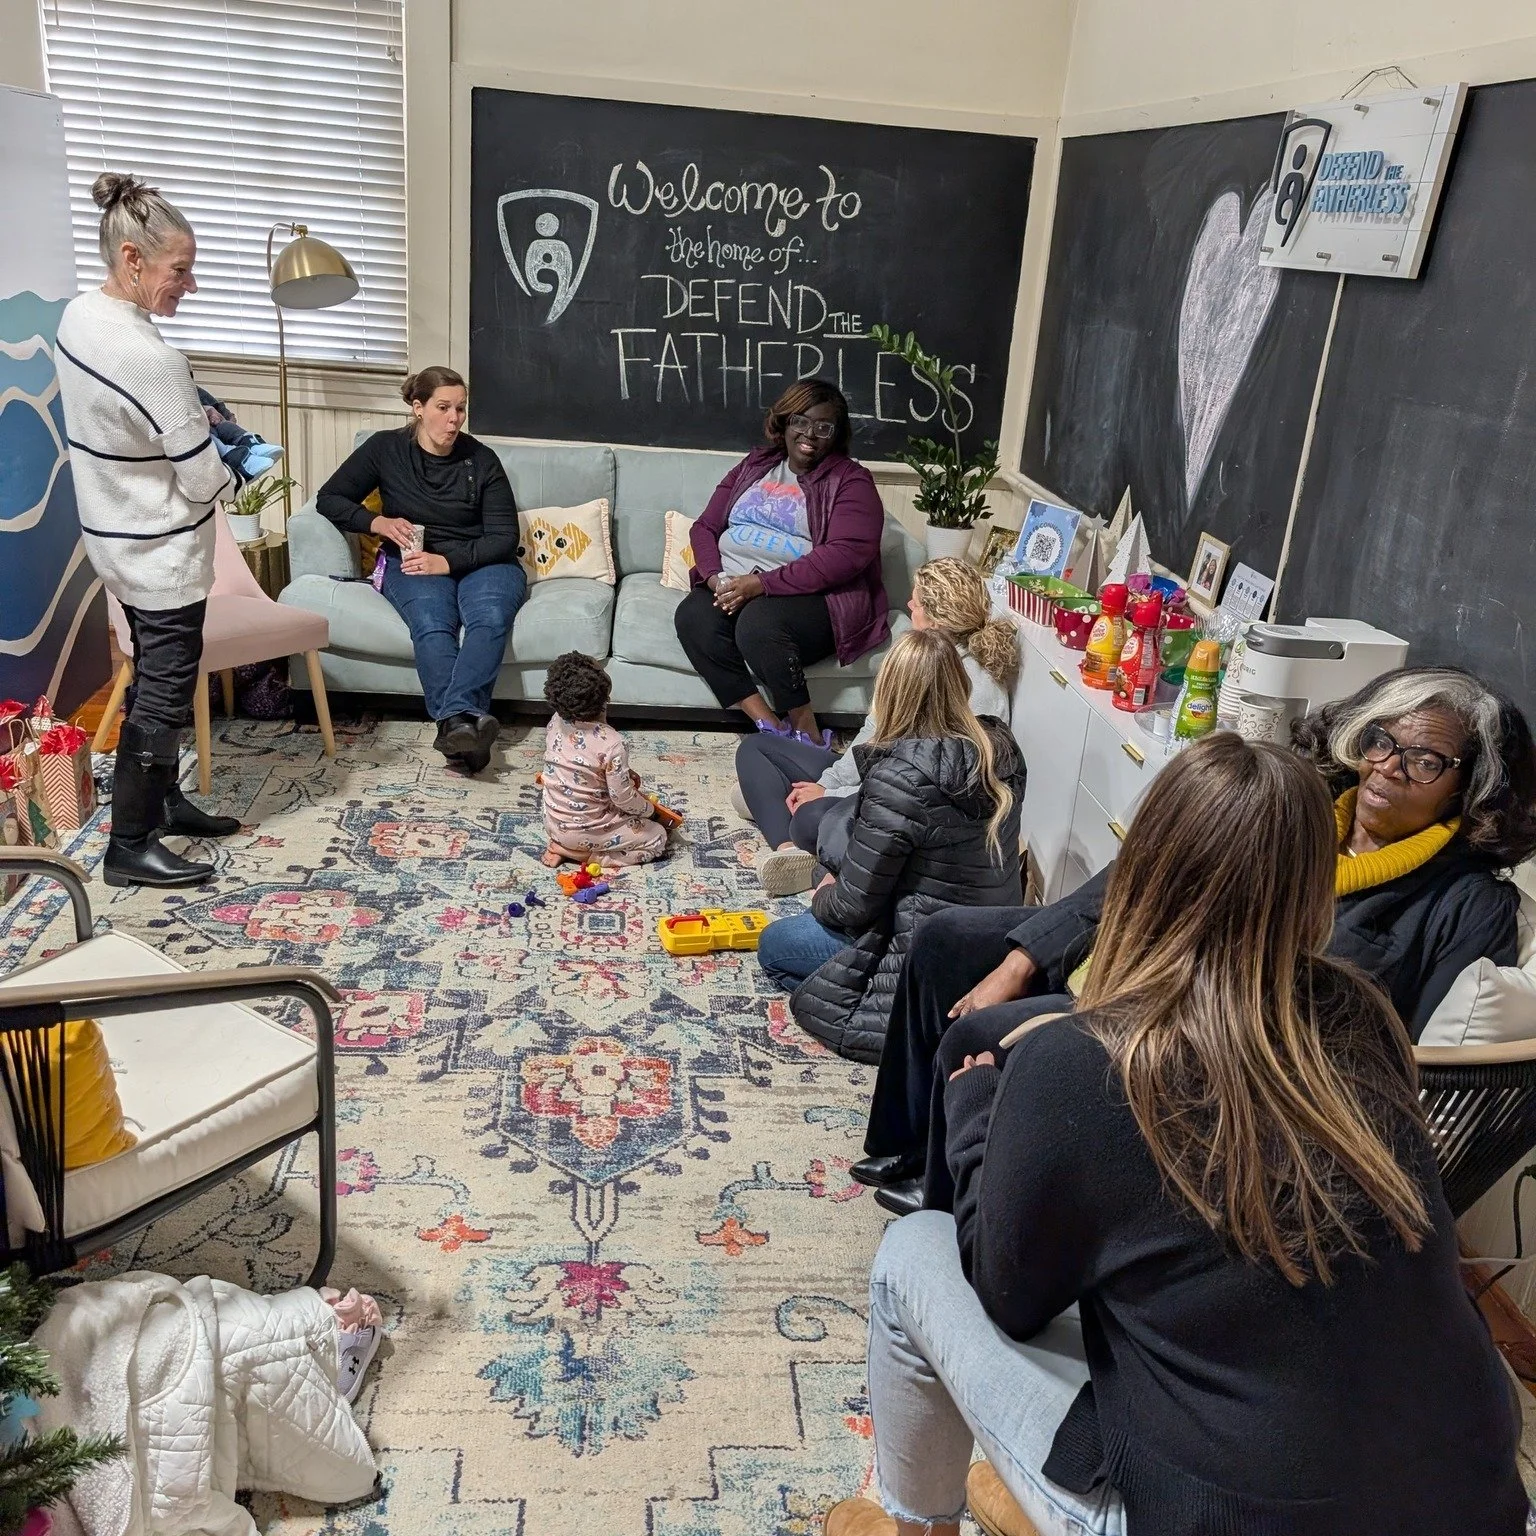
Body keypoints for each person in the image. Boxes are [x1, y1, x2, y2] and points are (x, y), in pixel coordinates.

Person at [826, 732, 1530, 1536]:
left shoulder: (1075, 1064)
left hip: (1225, 1516)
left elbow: (1008, 1294)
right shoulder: (1364, 1020)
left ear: (1142, 871)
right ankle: (1038, 1477)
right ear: (1314, 891)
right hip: (1473, 1501)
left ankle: (914, 1521)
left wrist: (979, 1109)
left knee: (914, 1251)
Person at [857, 665, 1536, 1216]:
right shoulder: (1300, 797)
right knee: (945, 939)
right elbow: (1148, 862)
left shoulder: (1468, 904)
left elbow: (1412, 1055)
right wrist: (1024, 955)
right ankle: (911, 1143)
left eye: (1426, 761)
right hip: (1144, 959)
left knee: (982, 1037)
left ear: (1470, 785)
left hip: (1212, 1034)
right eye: (1382, 740)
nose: (1389, 767)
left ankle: (953, 1207)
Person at [54, 174, 250, 889]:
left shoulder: (80, 317)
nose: (189, 285)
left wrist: (195, 411)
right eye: (180, 270)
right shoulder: (151, 356)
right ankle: (129, 845)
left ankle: (163, 803)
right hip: (161, 550)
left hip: (116, 537)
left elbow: (135, 415)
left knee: (152, 678)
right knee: (166, 690)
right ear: (133, 258)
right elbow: (201, 479)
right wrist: (238, 461)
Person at [756, 628, 1026, 1063]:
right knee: (837, 864)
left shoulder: (900, 776)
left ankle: (916, 1027)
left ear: (889, 693)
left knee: (776, 944)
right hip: (992, 946)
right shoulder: (1003, 751)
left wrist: (824, 893)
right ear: (959, 686)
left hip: (920, 957)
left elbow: (854, 908)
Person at [734, 557, 1018, 896]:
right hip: (876, 779)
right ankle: (790, 851)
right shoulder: (911, 658)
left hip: (901, 808)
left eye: (917, 601)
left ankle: (795, 831)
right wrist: (828, 783)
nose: (909, 604)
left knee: (803, 813)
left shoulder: (978, 692)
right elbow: (873, 735)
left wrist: (831, 795)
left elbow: (922, 792)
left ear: (936, 619)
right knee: (755, 749)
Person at [316, 367, 523, 775]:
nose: (454, 419)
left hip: (484, 561)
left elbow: (503, 536)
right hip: (410, 559)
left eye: (460, 409)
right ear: (418, 408)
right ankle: (466, 732)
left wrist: (446, 561)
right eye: (443, 408)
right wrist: (377, 523)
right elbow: (330, 498)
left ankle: (454, 725)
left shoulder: (481, 459)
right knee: (431, 623)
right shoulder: (385, 449)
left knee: (489, 618)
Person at [674, 379, 888, 747]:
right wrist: (714, 578)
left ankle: (806, 730)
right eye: (800, 422)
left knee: (758, 624)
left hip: (810, 598)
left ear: (836, 435)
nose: (810, 435)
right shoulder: (756, 465)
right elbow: (706, 527)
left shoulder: (851, 482)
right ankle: (769, 725)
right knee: (692, 616)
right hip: (735, 584)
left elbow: (845, 556)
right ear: (785, 423)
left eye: (824, 427)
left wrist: (760, 585)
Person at [538, 651, 668, 867]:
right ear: (606, 696)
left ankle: (566, 845)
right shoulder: (613, 743)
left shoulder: (555, 722)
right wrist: (650, 811)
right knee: (657, 837)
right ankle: (588, 856)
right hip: (586, 833)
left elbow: (580, 766)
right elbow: (623, 799)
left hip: (554, 824)